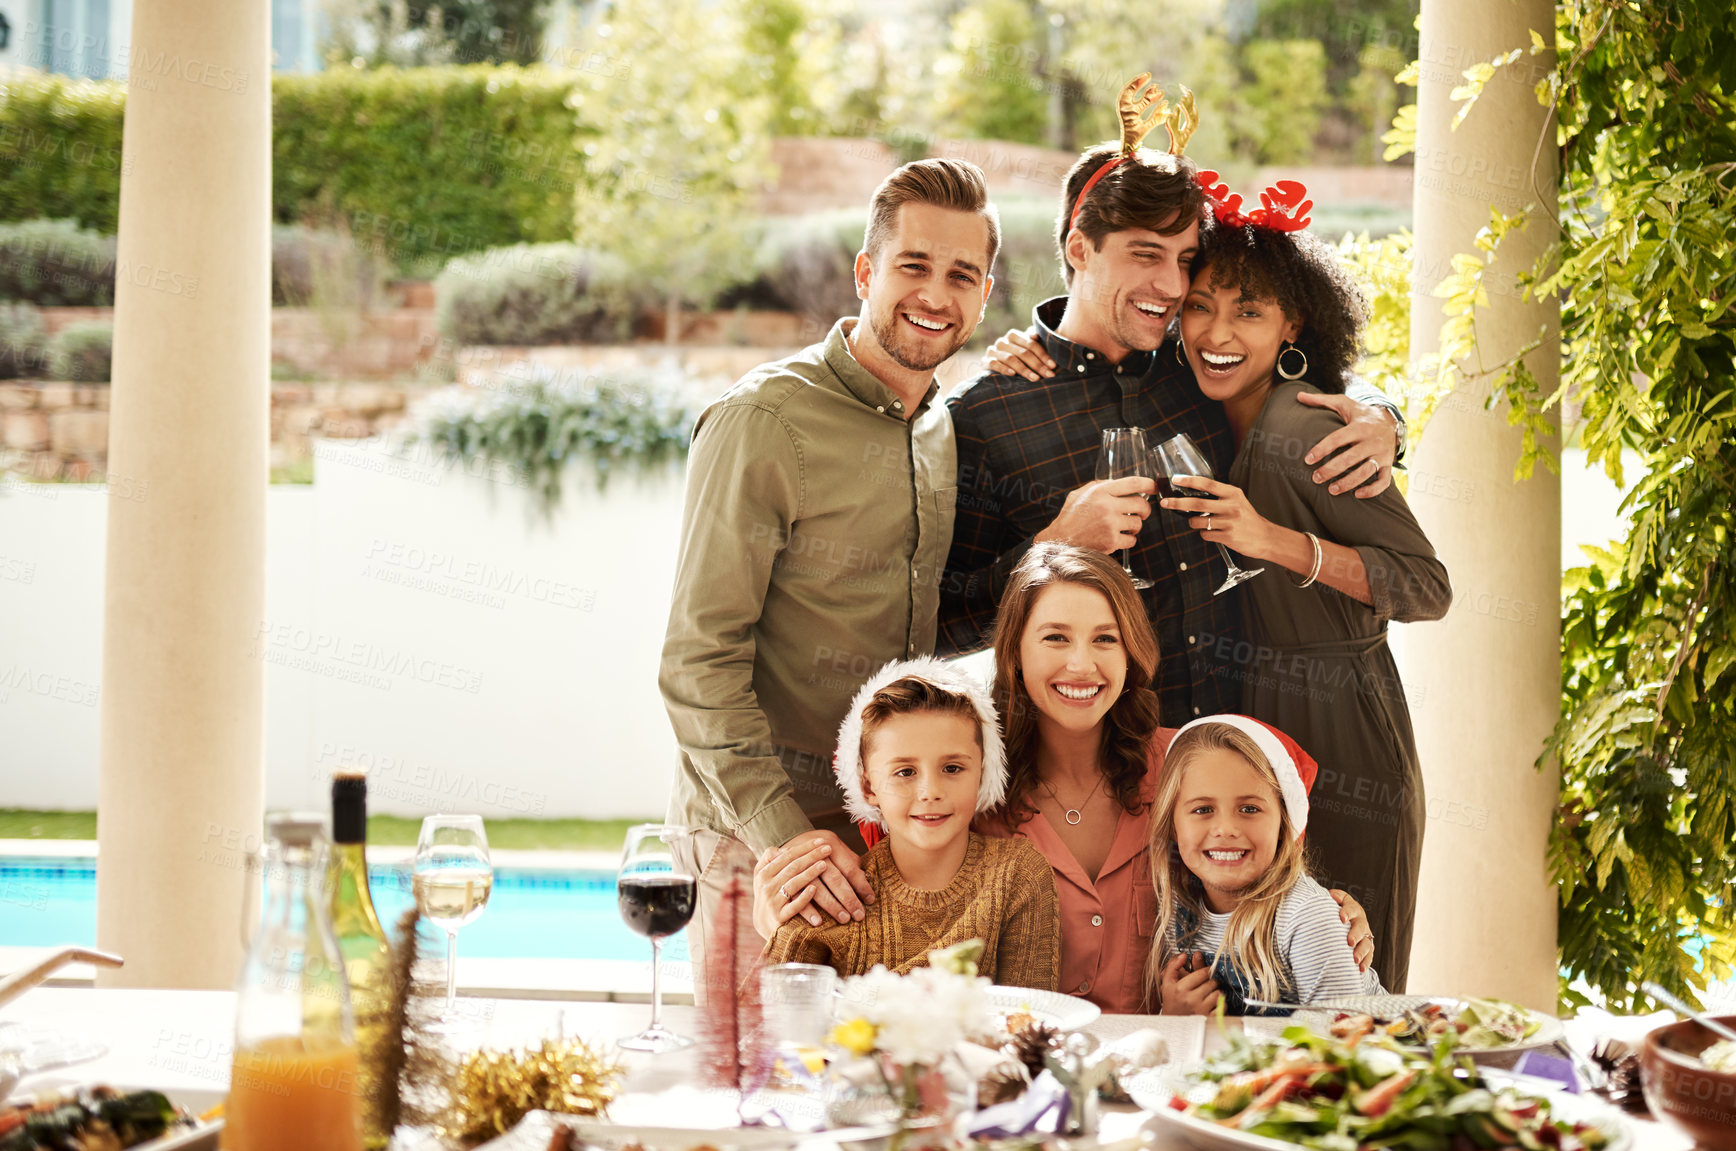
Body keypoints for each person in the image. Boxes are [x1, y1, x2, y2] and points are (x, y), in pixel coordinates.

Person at [946, 96, 1406, 729]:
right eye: (1145, 254)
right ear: (1079, 249)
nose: (1171, 286)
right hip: (1094, 777)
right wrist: (1051, 547)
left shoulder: (1198, 364)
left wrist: (1384, 418)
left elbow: (1316, 375)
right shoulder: (984, 415)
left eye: (1184, 259)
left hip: (1234, 764)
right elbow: (938, 627)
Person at [755, 543, 1375, 1012]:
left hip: (1158, 1071)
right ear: (1014, 652)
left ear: (1130, 653)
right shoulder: (960, 785)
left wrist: (1332, 915)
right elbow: (875, 899)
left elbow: (1278, 880)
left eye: (1106, 638)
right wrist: (778, 909)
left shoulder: (1194, 768)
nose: (1082, 663)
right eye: (1055, 637)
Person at [660, 158, 999, 992]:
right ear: (864, 273)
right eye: (913, 265)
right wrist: (786, 836)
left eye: (962, 275)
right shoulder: (764, 422)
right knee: (748, 1096)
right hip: (757, 833)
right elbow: (695, 664)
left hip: (880, 833)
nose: (935, 293)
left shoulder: (939, 427)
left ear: (985, 297)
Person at [1155, 180, 1452, 992]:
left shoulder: (1308, 425)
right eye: (1200, 307)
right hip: (1254, 729)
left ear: (1293, 326)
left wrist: (1275, 542)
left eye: (1248, 313)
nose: (1217, 333)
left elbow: (1428, 587)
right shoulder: (1209, 407)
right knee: (1257, 982)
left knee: (1352, 983)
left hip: (1345, 727)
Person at [763, 657, 1060, 989]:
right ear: (867, 786)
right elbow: (764, 1023)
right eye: (905, 772)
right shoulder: (832, 896)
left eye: (952, 768)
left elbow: (1030, 1019)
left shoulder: (1018, 873)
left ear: (983, 774)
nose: (930, 792)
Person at [1150, 716, 1382, 1015]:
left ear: (1284, 823)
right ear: (1172, 824)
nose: (1225, 829)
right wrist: (1173, 1019)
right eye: (1203, 809)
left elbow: (1343, 1043)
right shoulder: (1177, 913)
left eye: (1249, 809)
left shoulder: (1308, 920)